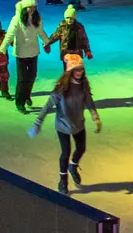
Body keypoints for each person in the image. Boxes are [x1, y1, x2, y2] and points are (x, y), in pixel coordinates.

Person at [29, 57, 102, 192]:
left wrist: (95, 116)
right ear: (70, 71)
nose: (80, 72)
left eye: (81, 69)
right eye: (77, 70)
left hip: (78, 124)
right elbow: (48, 106)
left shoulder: (83, 85)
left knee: (81, 148)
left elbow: (89, 101)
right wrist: (38, 122)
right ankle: (63, 181)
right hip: (63, 125)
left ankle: (73, 166)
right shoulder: (61, 89)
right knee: (66, 152)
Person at [0, 0, 47, 113]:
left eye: (33, 7)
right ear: (24, 7)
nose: (31, 9)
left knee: (32, 76)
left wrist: (47, 42)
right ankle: (20, 102)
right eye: (29, 7)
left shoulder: (37, 18)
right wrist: (2, 50)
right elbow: (9, 35)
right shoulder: (17, 19)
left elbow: (41, 32)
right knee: (22, 79)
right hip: (21, 53)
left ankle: (26, 95)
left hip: (33, 52)